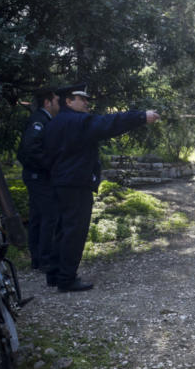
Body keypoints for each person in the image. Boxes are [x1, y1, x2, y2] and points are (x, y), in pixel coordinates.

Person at [43, 84, 161, 292]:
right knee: (74, 231)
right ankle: (67, 279)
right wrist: (141, 117)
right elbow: (109, 123)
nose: (87, 103)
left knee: (62, 229)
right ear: (69, 101)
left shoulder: (56, 122)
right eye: (82, 99)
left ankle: (55, 273)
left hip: (60, 182)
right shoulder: (76, 121)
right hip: (76, 183)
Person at [17, 86, 60, 271]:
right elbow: (30, 149)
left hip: (36, 175)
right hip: (39, 177)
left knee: (37, 217)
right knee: (49, 216)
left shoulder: (44, 119)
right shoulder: (39, 121)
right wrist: (50, 165)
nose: (59, 104)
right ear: (47, 102)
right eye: (57, 101)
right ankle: (45, 259)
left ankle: (37, 258)